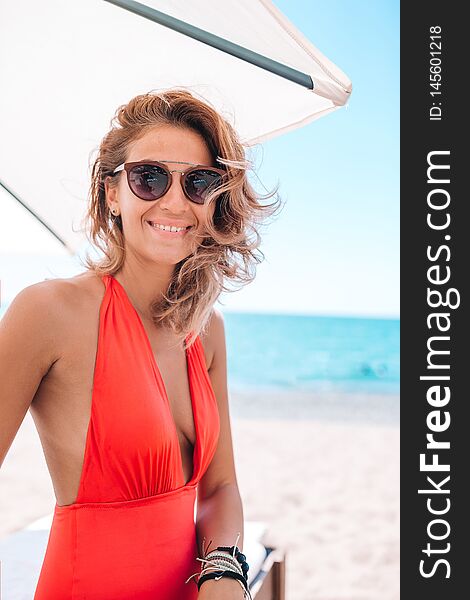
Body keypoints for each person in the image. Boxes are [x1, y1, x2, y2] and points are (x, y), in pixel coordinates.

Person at [0, 89, 281, 599]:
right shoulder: (47, 312)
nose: (175, 201)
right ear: (112, 193)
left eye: (199, 182)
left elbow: (219, 489)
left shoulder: (206, 329)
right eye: (149, 177)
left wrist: (223, 573)